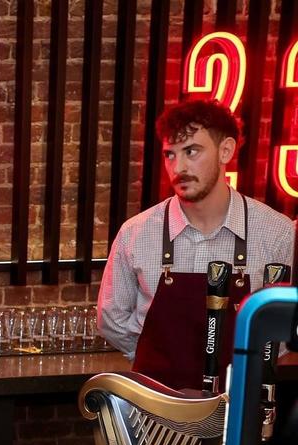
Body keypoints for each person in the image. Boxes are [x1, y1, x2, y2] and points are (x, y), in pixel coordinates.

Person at [97, 98, 293, 392]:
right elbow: (111, 319)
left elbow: (284, 327)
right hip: (156, 404)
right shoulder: (136, 233)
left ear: (225, 150)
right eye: (170, 155)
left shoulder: (276, 232)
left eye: (191, 151)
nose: (178, 167)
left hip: (239, 405)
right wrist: (155, 360)